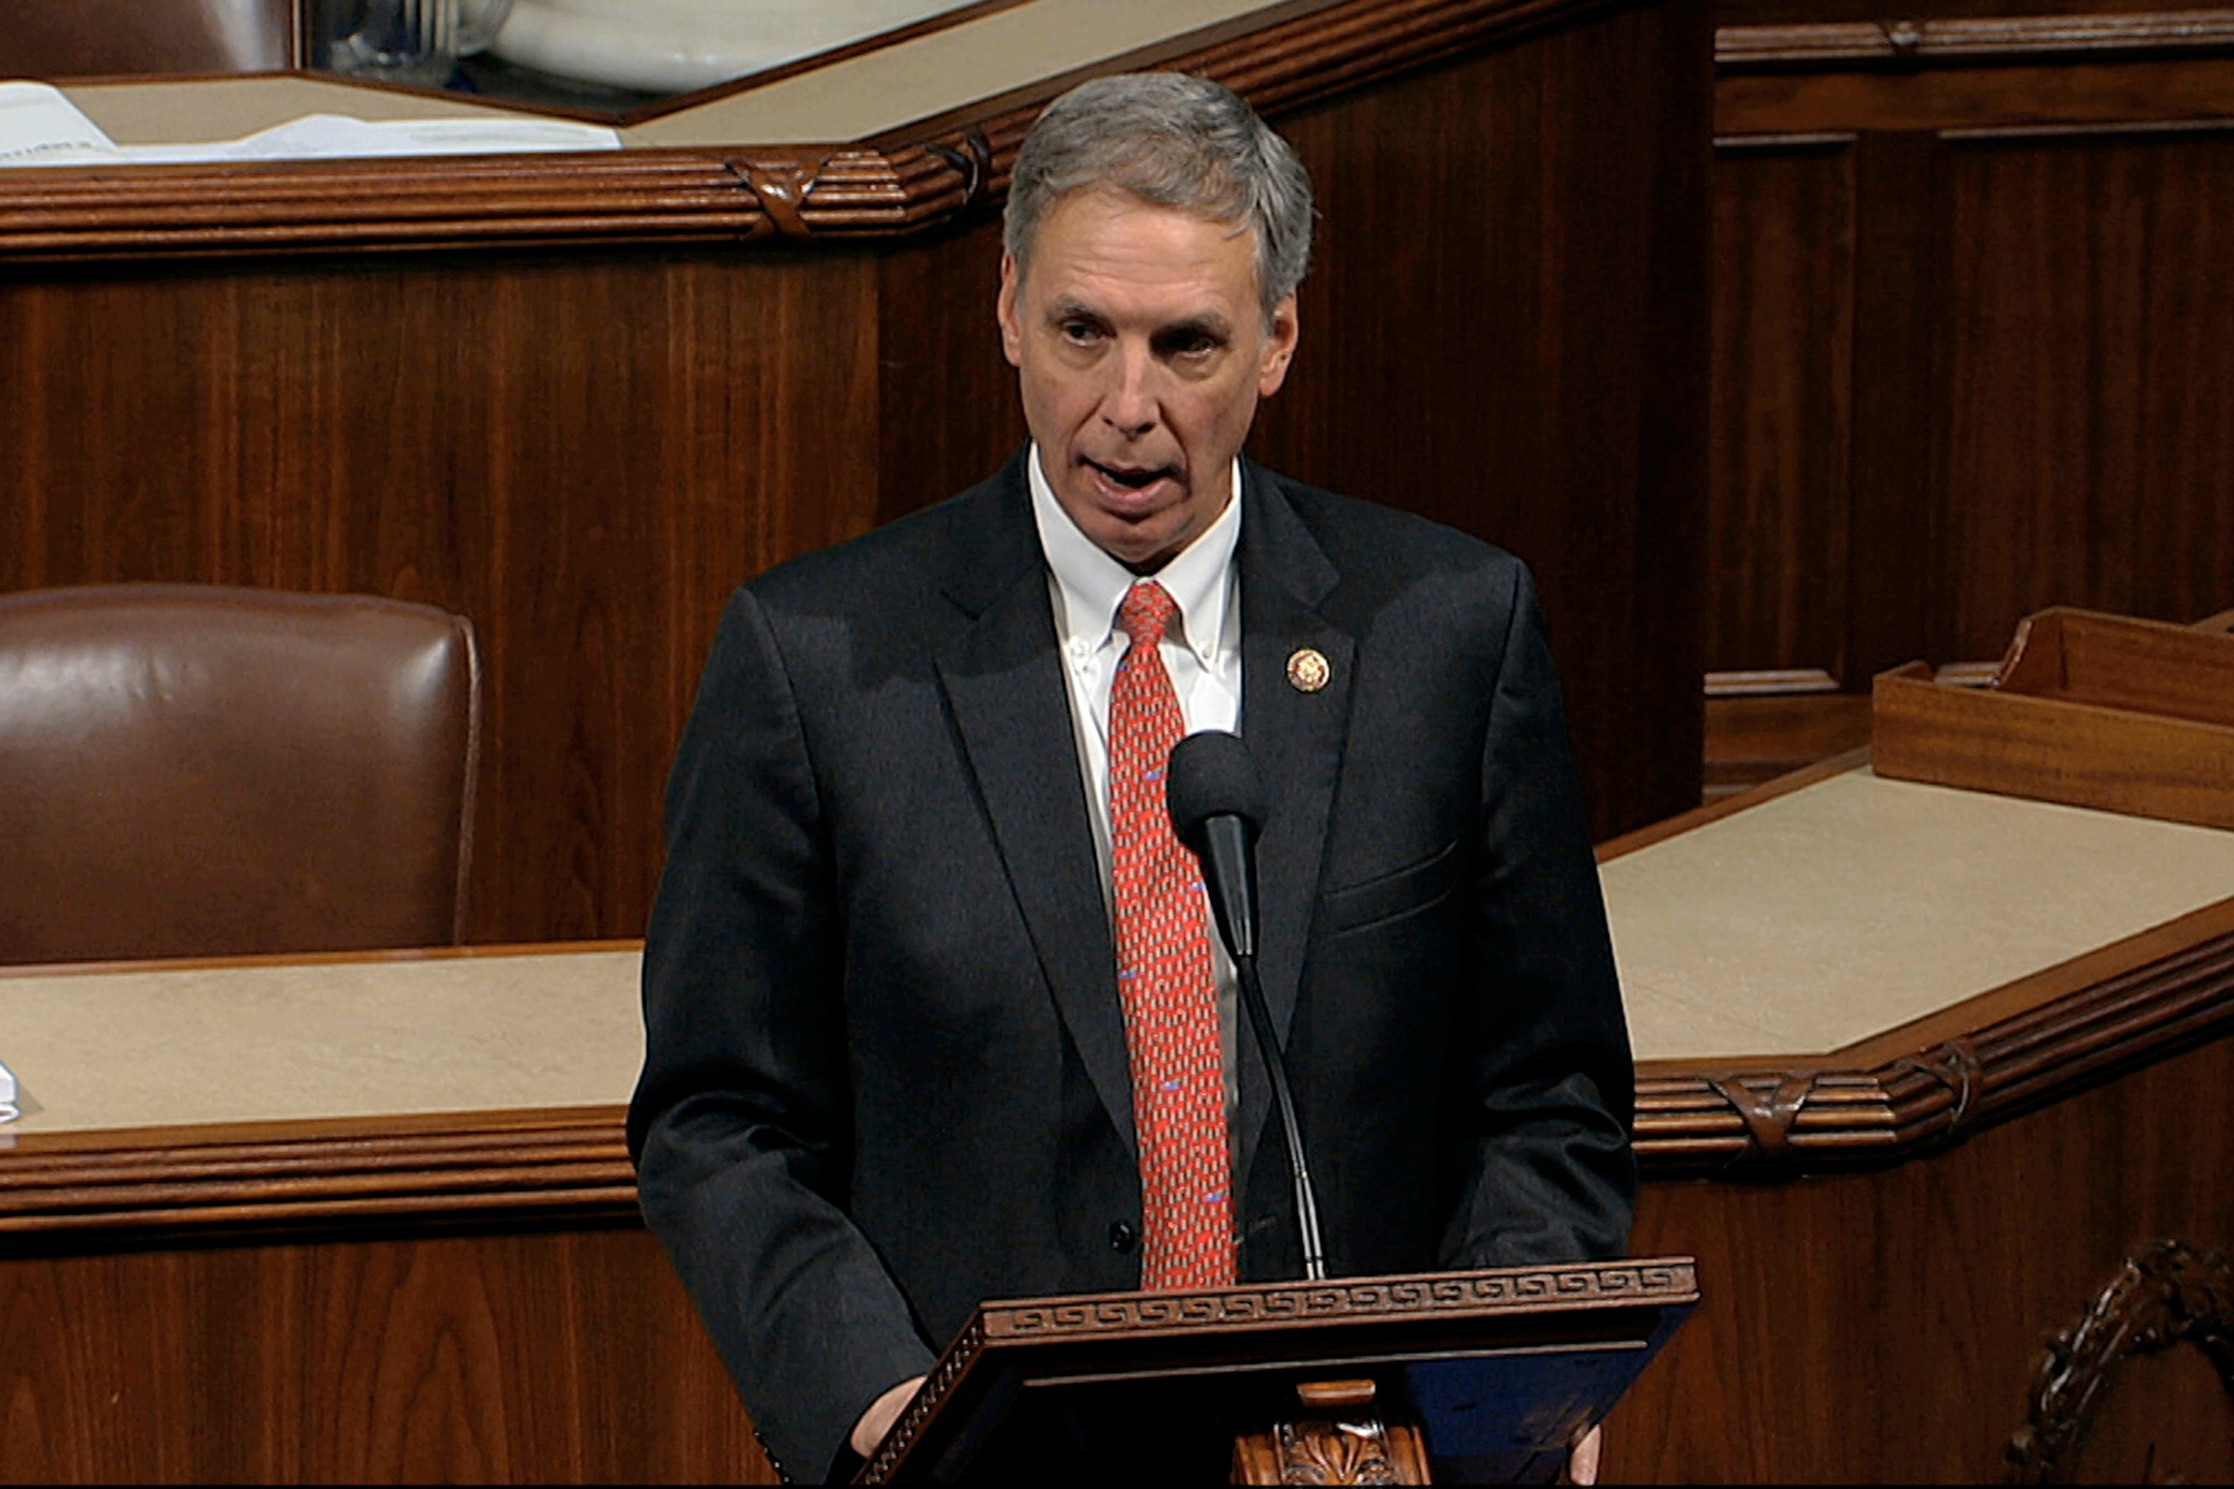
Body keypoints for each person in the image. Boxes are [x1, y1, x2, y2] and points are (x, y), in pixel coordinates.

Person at [629, 71, 1635, 1483]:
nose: (1126, 407)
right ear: (1007, 309)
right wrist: (882, 1402)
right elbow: (718, 1117)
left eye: (1187, 344)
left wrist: (1508, 1377)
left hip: (1350, 1450)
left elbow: (1547, 1089)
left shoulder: (1447, 634)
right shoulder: (816, 663)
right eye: (1082, 332)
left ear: (1276, 340)